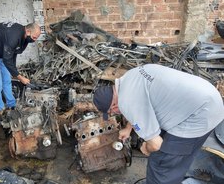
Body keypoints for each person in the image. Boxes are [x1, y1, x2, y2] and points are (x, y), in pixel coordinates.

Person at [93, 64, 224, 184]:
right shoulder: (129, 77)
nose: (115, 113)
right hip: (208, 98)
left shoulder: (126, 102)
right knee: (179, 158)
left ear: (114, 105)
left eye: (111, 111)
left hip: (199, 115)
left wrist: (146, 147)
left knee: (161, 163)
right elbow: (139, 103)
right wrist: (128, 129)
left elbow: (156, 145)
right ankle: (176, 175)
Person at [0, 22, 41, 111]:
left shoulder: (23, 36)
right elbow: (7, 59)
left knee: (7, 80)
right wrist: (20, 77)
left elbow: (14, 53)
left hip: (0, 51)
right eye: (34, 37)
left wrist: (14, 72)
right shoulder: (14, 36)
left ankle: (12, 104)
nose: (35, 40)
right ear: (28, 31)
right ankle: (0, 110)